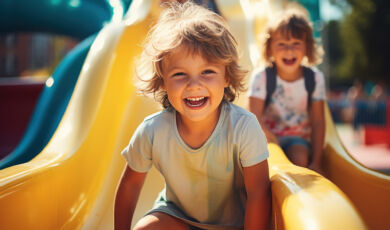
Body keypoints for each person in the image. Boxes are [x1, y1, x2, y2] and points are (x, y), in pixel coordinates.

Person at [115, 2, 270, 230]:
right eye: (179, 74)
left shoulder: (243, 127)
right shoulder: (153, 130)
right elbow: (130, 186)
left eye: (207, 72)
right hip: (178, 218)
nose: (194, 85)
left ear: (226, 76)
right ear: (163, 81)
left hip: (233, 224)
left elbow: (259, 192)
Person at [248, 6, 326, 174]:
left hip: (297, 139)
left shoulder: (314, 78)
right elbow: (253, 116)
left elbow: (319, 121)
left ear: (307, 47)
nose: (289, 50)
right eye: (282, 44)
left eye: (296, 43)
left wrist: (317, 161)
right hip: (266, 138)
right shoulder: (262, 77)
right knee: (269, 161)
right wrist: (270, 138)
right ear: (269, 47)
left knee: (300, 159)